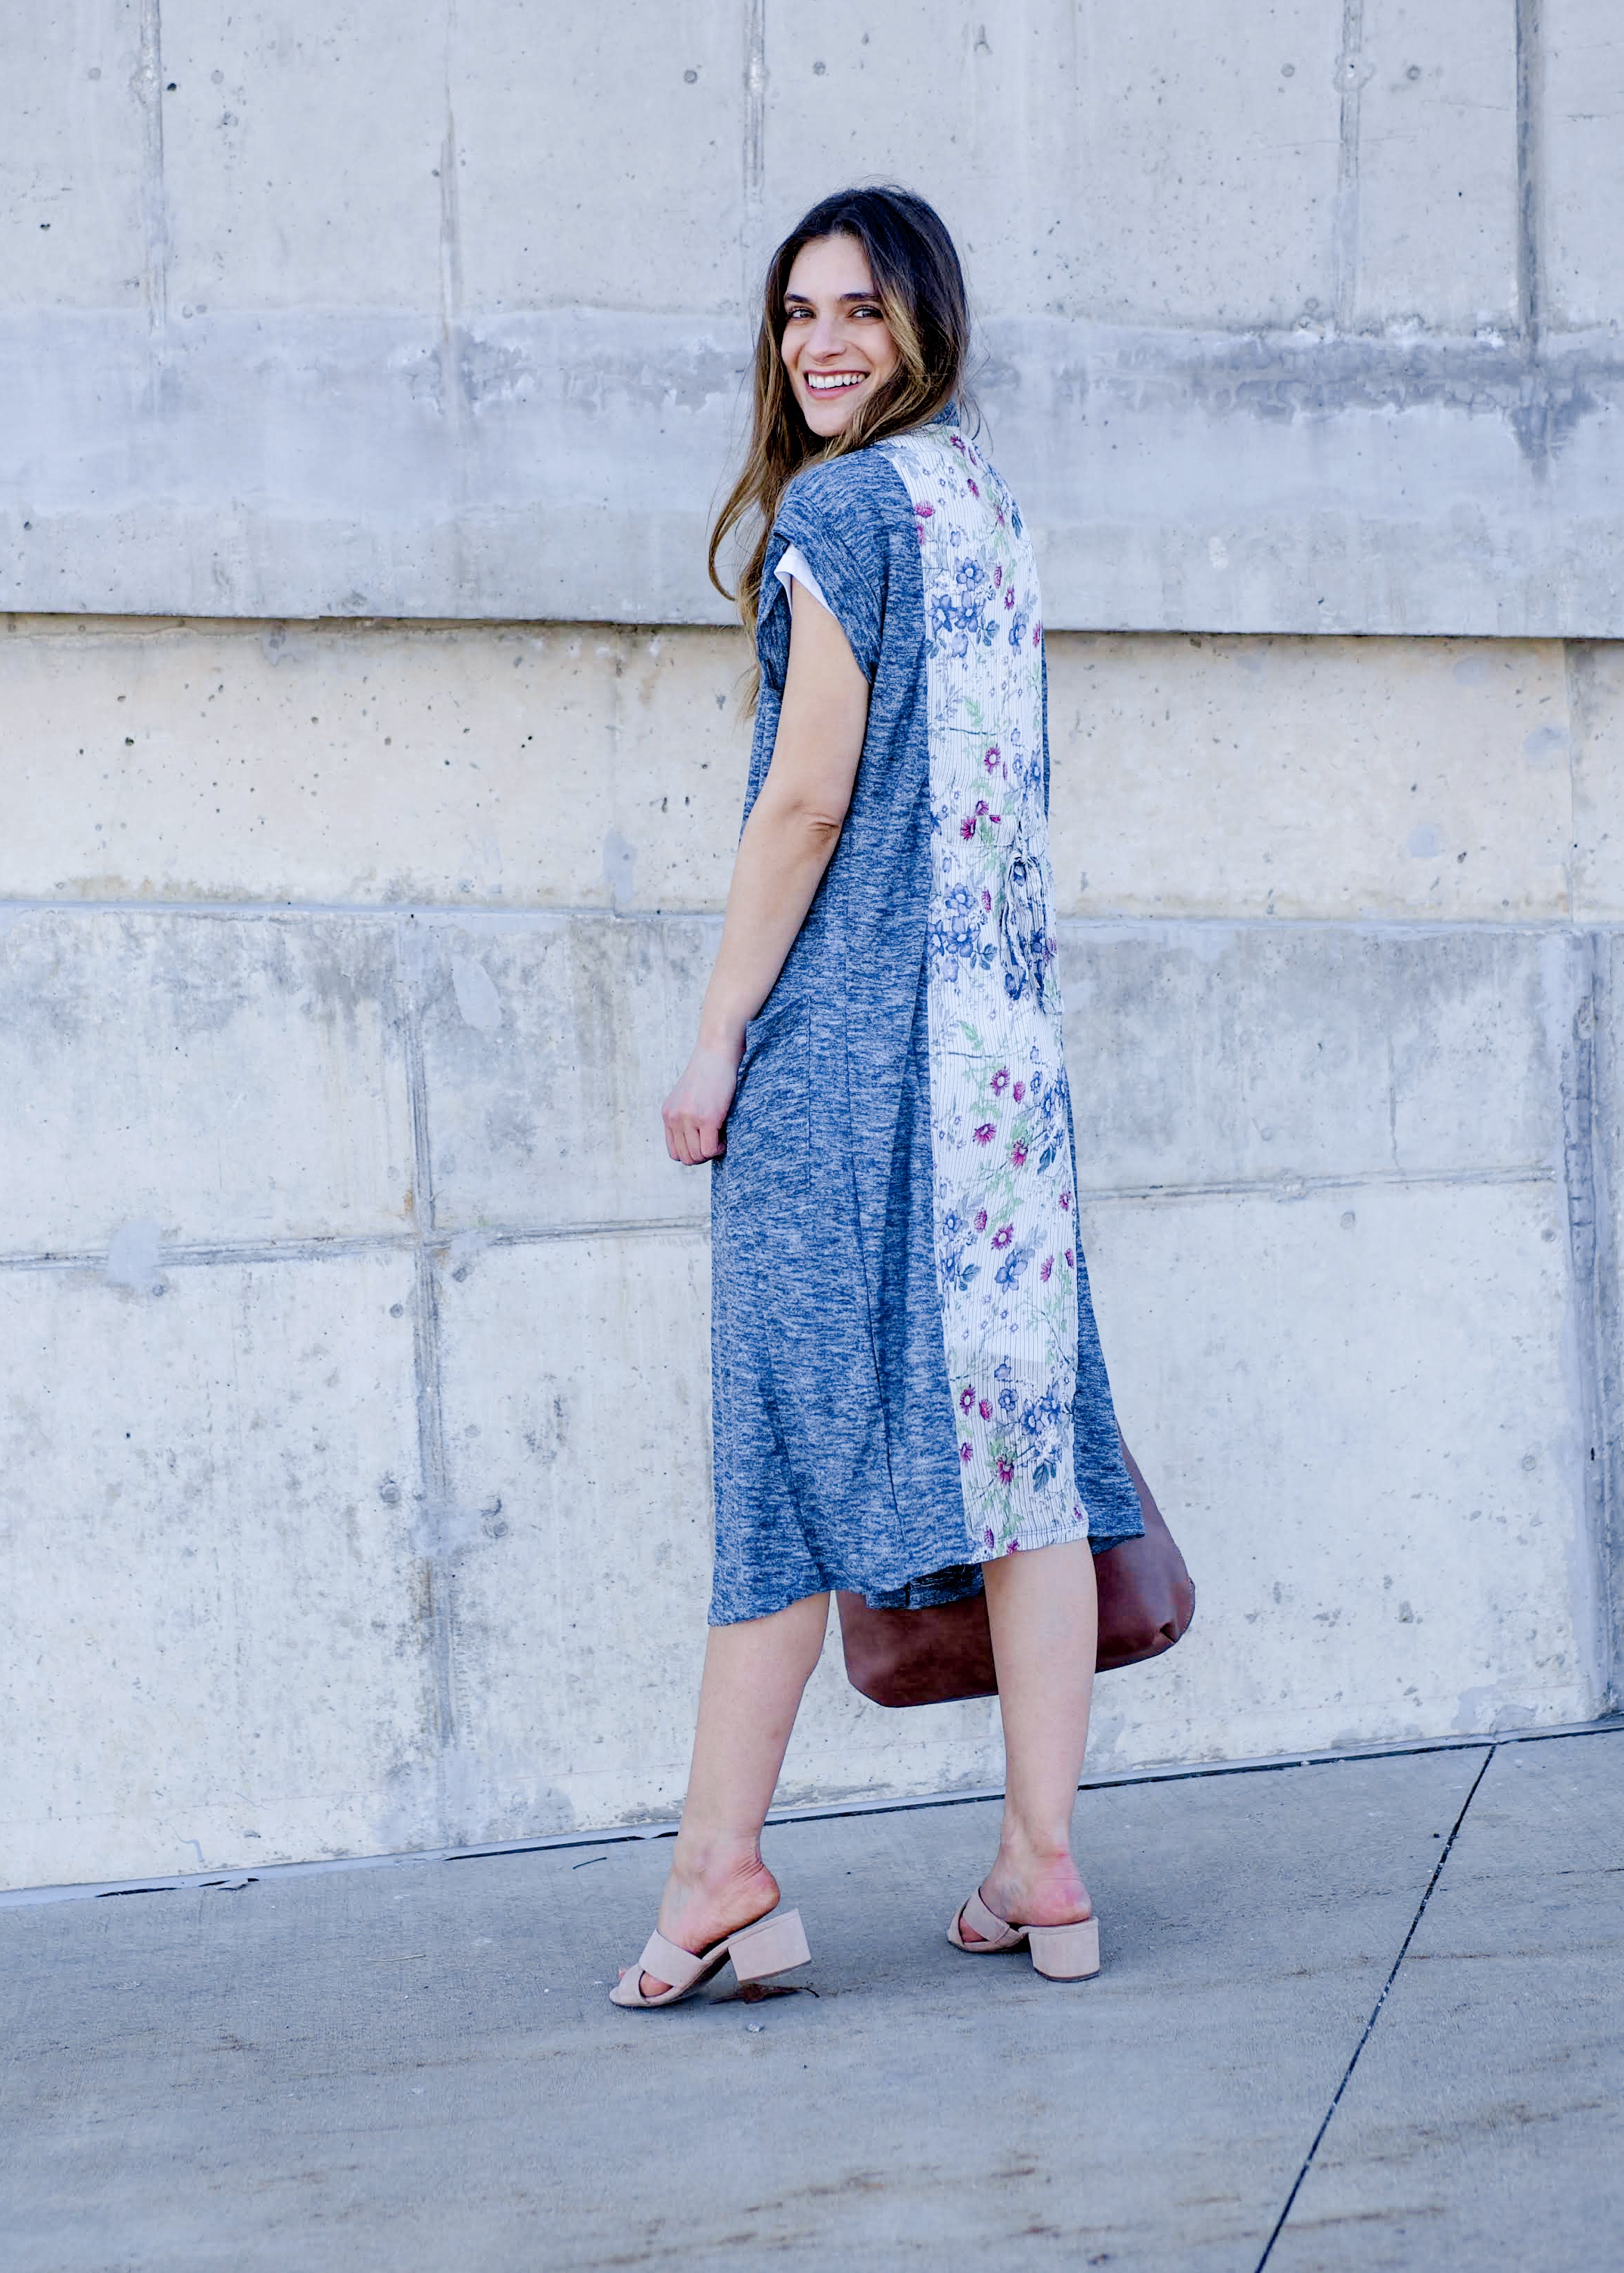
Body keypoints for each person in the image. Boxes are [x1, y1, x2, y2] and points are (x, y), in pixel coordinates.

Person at [611, 186, 1144, 2009]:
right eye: (792, 315)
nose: (820, 342)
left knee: (779, 1451)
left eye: (857, 310)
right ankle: (1040, 1870)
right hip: (1000, 1069)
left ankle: (716, 1875)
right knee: (1027, 1468)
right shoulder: (980, 504)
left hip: (847, 1065)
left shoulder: (842, 509)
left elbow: (807, 802)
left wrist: (715, 1038)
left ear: (926, 323)